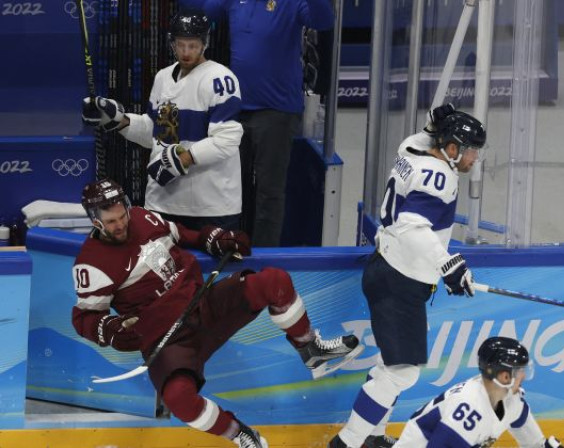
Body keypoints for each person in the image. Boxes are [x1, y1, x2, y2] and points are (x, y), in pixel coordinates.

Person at [71, 178, 362, 448]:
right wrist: (111, 330)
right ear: (95, 221)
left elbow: (182, 235)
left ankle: (310, 348)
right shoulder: (91, 264)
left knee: (274, 282)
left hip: (204, 302)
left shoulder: (142, 217)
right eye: (111, 221)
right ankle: (240, 434)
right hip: (167, 339)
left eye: (122, 216)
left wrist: (213, 238)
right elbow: (84, 319)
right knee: (178, 399)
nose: (121, 224)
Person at [328, 107, 487, 448]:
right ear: (452, 148)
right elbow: (412, 226)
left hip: (388, 268)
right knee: (403, 372)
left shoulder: (411, 147)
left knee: (392, 366)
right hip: (399, 280)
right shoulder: (439, 177)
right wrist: (450, 264)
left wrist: (437, 124)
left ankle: (371, 438)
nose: (476, 158)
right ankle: (347, 443)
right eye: (472, 149)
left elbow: (427, 133)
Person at [182, 0, 335, 246]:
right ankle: (225, 247)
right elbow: (198, 9)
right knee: (225, 187)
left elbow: (323, 20)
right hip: (234, 109)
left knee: (269, 192)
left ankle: (265, 258)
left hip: (276, 112)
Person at [81, 10, 243, 231]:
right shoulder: (163, 77)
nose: (185, 52)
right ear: (172, 43)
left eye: (193, 45)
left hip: (210, 207)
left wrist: (185, 159)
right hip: (161, 202)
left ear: (205, 44)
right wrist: (119, 121)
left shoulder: (220, 79)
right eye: (180, 45)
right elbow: (155, 132)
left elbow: (227, 139)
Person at [394, 337, 564, 448]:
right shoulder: (467, 407)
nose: (524, 376)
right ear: (504, 376)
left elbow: (534, 444)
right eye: (520, 370)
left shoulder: (513, 402)